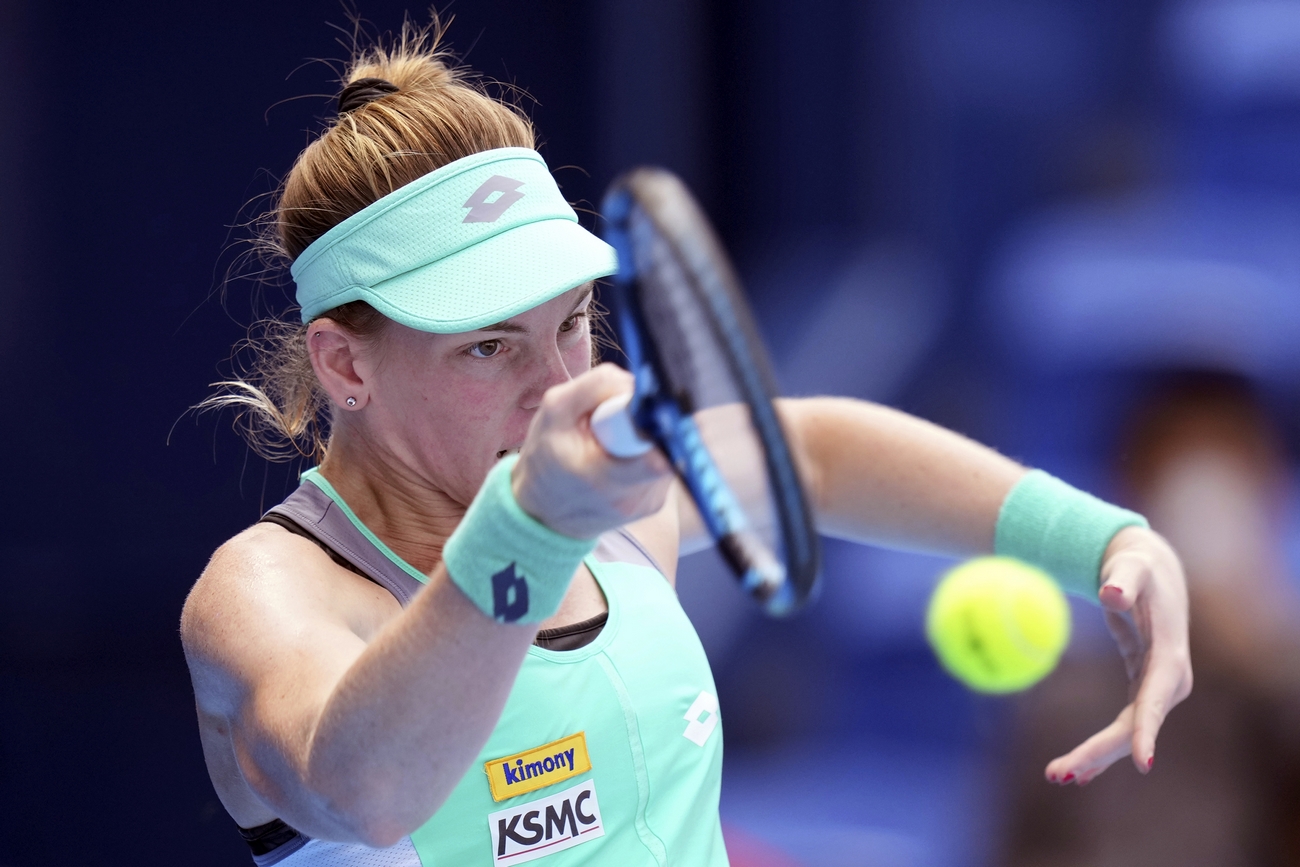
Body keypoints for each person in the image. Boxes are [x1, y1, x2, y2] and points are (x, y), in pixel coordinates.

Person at [180, 19, 1192, 866]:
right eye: (489, 348)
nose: (558, 387)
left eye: (571, 323)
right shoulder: (268, 595)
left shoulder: (616, 518)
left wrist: (1106, 542)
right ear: (346, 367)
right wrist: (531, 530)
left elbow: (817, 455)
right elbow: (369, 791)